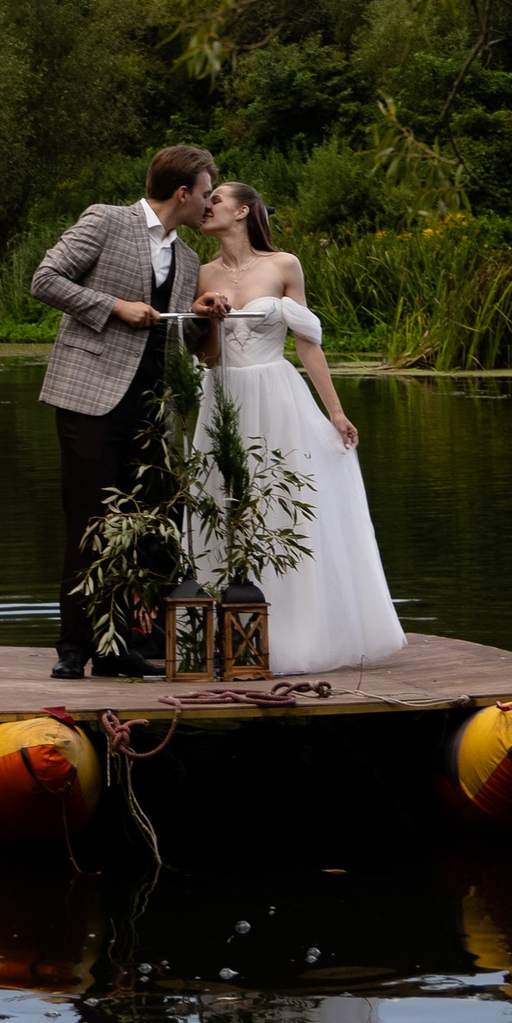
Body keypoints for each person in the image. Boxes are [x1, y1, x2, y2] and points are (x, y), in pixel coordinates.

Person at [192, 181, 404, 676]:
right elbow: (207, 357)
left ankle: (299, 635)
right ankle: (228, 632)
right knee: (221, 504)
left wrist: (336, 413)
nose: (206, 206)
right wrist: (212, 319)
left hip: (277, 396)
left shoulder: (284, 264)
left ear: (243, 211)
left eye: (216, 199)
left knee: (281, 506)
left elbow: (307, 343)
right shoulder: (202, 273)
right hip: (222, 395)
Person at [31, 144, 216, 681]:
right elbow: (45, 279)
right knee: (89, 523)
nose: (209, 203)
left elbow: (178, 335)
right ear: (182, 193)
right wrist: (114, 306)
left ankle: (117, 650)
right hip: (90, 398)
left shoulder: (188, 260)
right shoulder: (106, 221)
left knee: (139, 527)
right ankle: (73, 647)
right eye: (205, 193)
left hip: (152, 409)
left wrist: (202, 316)